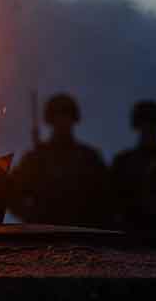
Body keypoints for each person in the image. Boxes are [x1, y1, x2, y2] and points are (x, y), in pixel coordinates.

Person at [9, 93, 109, 227]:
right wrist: (31, 216)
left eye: (66, 116)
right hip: (45, 234)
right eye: (58, 117)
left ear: (73, 119)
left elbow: (106, 196)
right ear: (51, 120)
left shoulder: (88, 157)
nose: (62, 121)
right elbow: (13, 194)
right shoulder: (35, 158)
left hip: (81, 233)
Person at [109, 99, 156, 235]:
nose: (149, 128)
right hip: (132, 235)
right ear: (137, 126)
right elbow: (113, 202)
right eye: (144, 123)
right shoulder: (123, 161)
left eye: (153, 123)